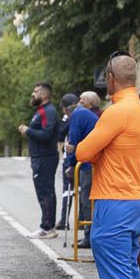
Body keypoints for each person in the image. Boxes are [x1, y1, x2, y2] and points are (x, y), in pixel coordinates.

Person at [76, 54, 140, 279]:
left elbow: (82, 151)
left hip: (113, 200)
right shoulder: (139, 110)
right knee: (130, 274)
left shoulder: (116, 112)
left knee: (118, 276)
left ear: (110, 78)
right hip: (132, 198)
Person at [19, 82, 60, 239]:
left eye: (35, 91)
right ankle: (48, 225)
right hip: (40, 157)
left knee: (45, 192)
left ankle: (47, 227)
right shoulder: (41, 111)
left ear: (44, 95)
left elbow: (47, 134)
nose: (32, 94)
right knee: (44, 191)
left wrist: (27, 131)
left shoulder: (48, 111)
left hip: (45, 157)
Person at [63, 91, 100, 248]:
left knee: (86, 199)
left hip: (88, 164)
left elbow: (73, 142)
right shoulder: (85, 114)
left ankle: (89, 236)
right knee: (89, 200)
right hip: (93, 161)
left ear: (66, 110)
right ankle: (89, 234)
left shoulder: (77, 116)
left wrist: (70, 165)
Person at [56, 93, 79, 231]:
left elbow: (60, 134)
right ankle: (81, 218)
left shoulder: (69, 118)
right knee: (80, 190)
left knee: (67, 190)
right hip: (82, 156)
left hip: (70, 157)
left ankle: (64, 220)